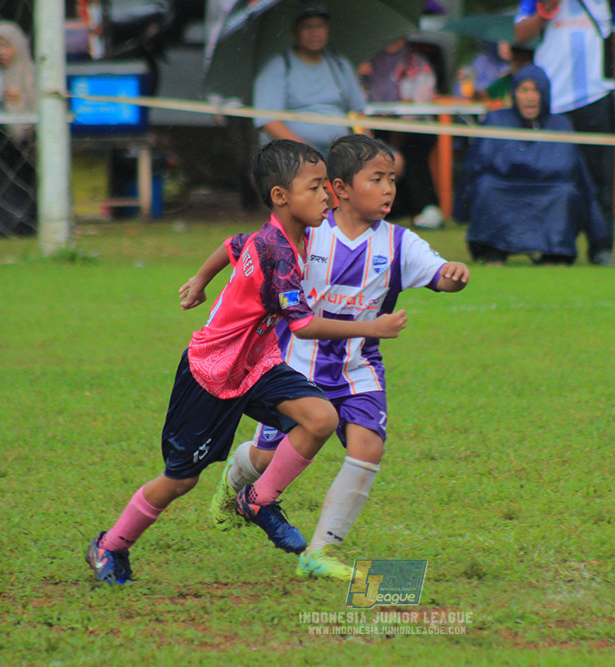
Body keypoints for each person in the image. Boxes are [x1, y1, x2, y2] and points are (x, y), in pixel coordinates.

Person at [85, 140, 409, 585]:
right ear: (281, 197)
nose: (326, 198)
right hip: (211, 372)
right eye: (314, 188)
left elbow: (231, 244)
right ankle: (110, 546)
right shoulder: (278, 253)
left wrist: (201, 278)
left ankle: (257, 500)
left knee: (319, 418)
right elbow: (304, 326)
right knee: (180, 481)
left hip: (256, 365)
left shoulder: (291, 235)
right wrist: (373, 328)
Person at [201, 134, 469, 579]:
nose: (389, 189)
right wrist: (201, 280)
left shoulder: (399, 243)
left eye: (392, 180)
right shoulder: (306, 232)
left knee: (369, 446)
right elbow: (242, 249)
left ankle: (321, 552)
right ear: (339, 188)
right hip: (293, 368)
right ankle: (236, 480)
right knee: (268, 459)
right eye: (377, 179)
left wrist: (453, 275)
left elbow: (439, 275)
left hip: (358, 369)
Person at [514, 0, 615, 266]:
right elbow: (520, 34)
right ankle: (554, 247)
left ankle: (601, 247)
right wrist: (546, 10)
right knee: (551, 178)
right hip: (553, 103)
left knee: (601, 178)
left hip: (597, 95)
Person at [454, 65, 610, 266]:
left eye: (536, 91)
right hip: (503, 187)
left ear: (545, 94)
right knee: (486, 186)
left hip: (549, 189)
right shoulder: (496, 119)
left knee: (567, 192)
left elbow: (574, 173)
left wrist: (600, 239)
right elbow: (475, 165)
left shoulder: (561, 125)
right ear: (514, 94)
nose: (530, 97)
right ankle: (493, 250)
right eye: (524, 90)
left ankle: (555, 252)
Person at [252, 4, 366, 157]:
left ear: (327, 30)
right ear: (293, 32)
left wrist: (366, 147)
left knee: (393, 161)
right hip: (293, 154)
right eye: (307, 27)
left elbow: (357, 112)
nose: (314, 33)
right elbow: (269, 122)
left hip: (341, 151)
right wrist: (307, 151)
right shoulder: (278, 67)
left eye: (320, 26)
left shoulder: (340, 64)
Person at [360, 37, 444, 229]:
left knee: (413, 147)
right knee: (375, 152)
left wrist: (400, 118)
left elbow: (423, 101)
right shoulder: (368, 63)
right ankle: (387, 206)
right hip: (377, 126)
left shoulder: (418, 63)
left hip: (415, 125)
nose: (393, 41)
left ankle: (424, 206)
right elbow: (360, 99)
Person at [0, 21, 38, 237]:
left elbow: (38, 108)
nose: (1, 52)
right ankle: (0, 226)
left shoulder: (32, 74)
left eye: (7, 46)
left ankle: (27, 224)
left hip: (26, 143)